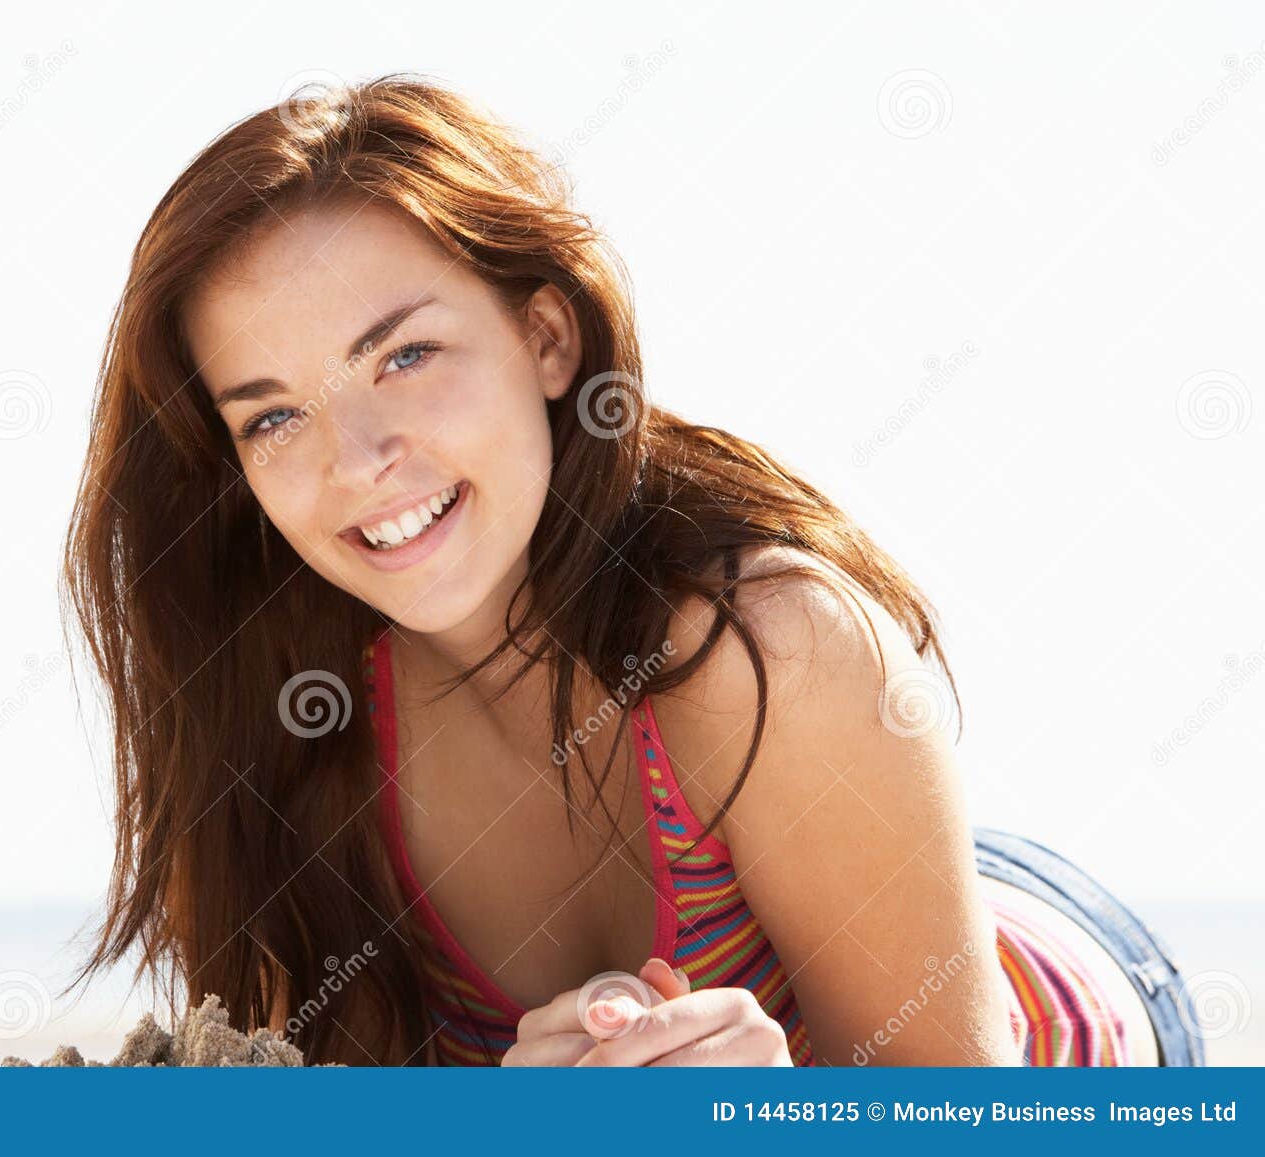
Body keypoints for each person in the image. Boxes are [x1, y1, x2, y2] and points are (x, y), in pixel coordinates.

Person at [60, 74, 1206, 1067]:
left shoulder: (769, 645)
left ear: (548, 338)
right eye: (272, 418)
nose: (357, 462)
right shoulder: (283, 715)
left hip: (1055, 1015)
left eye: (405, 355)